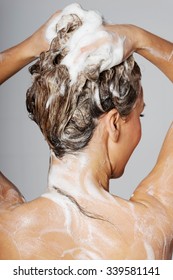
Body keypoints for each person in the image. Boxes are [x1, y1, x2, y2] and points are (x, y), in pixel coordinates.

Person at [0, 4, 173, 260]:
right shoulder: (150, 229)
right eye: (140, 115)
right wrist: (136, 37)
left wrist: (31, 47)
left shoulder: (9, 228)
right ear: (114, 124)